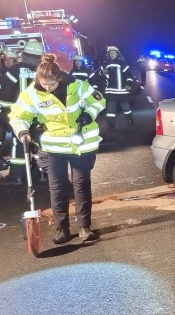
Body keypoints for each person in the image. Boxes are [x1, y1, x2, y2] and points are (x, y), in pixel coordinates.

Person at [9, 54, 106, 244]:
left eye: (51, 84)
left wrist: (88, 114)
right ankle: (62, 229)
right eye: (43, 84)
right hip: (53, 147)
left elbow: (99, 101)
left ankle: (85, 228)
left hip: (81, 145)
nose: (47, 88)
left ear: (59, 78)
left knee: (81, 185)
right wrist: (22, 132)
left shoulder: (78, 86)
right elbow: (18, 115)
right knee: (57, 187)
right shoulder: (31, 93)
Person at [0, 39, 45, 186]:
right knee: (41, 144)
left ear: (24, 53)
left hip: (20, 116)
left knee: (19, 145)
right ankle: (43, 173)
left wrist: (7, 116)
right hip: (41, 116)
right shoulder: (44, 71)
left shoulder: (14, 71)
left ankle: (18, 177)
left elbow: (5, 96)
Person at [101, 45, 136, 129]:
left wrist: (128, 84)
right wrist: (103, 73)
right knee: (110, 111)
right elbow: (100, 78)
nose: (112, 54)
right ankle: (111, 125)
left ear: (117, 54)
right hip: (110, 92)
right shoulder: (105, 65)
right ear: (108, 54)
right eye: (110, 53)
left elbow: (129, 76)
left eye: (114, 53)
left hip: (122, 91)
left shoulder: (122, 64)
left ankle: (130, 121)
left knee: (126, 108)